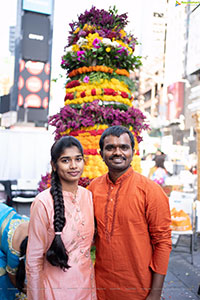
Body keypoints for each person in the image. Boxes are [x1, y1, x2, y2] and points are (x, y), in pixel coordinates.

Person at [88, 126, 172, 300]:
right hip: (99, 288)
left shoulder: (151, 191)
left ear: (133, 152)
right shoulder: (93, 189)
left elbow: (163, 243)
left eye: (123, 147)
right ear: (101, 153)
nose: (117, 152)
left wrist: (155, 293)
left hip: (139, 290)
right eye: (110, 147)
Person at [26, 136, 96, 300]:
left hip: (87, 289)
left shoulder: (88, 196)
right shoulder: (43, 203)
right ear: (54, 165)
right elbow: (33, 261)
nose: (73, 166)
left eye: (78, 159)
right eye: (66, 160)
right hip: (54, 292)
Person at [0, 202, 29, 300]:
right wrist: (29, 291)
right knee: (3, 277)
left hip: (5, 213)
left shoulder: (38, 229)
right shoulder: (15, 253)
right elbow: (14, 279)